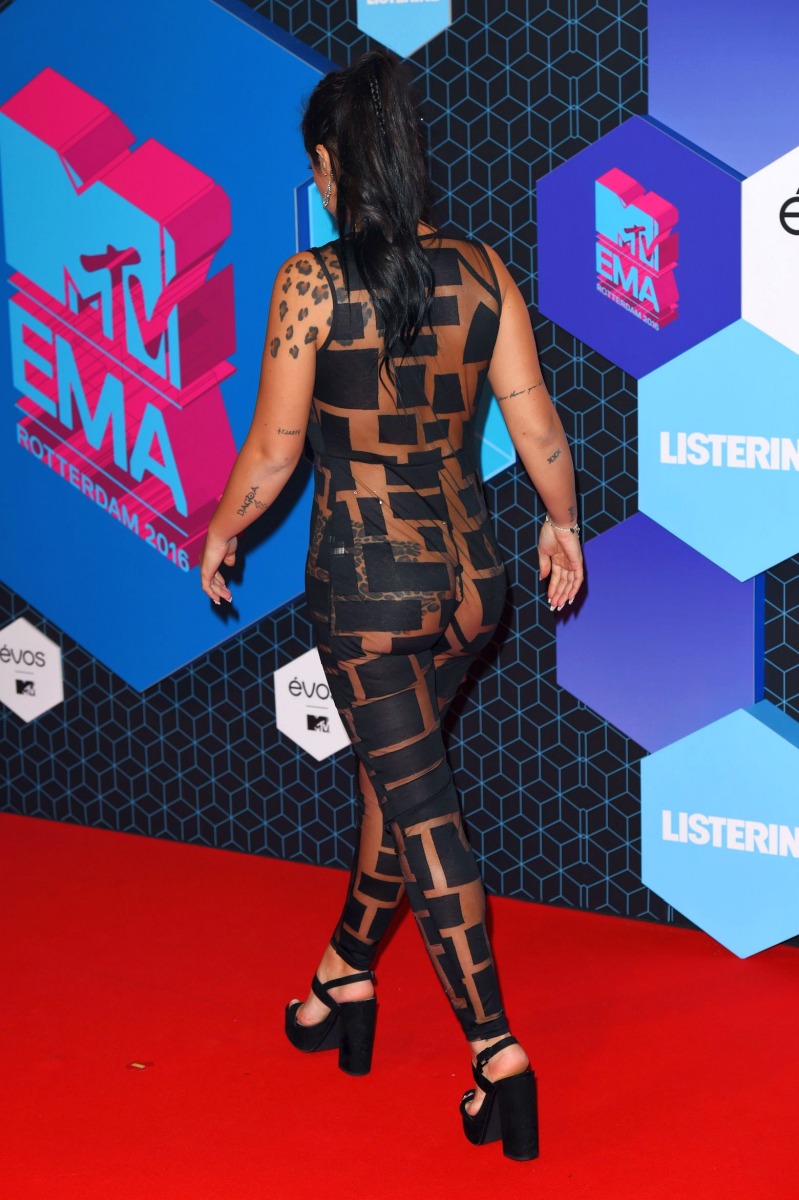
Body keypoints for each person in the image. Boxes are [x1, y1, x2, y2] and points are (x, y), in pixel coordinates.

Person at [200, 50, 583, 1161]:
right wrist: (562, 524)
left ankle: (497, 1055)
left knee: (422, 814)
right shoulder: (480, 270)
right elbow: (538, 427)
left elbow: (274, 454)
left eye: (315, 165)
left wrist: (222, 528)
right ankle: (343, 979)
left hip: (369, 590)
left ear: (331, 163)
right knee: (391, 781)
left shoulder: (310, 285)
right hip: (472, 587)